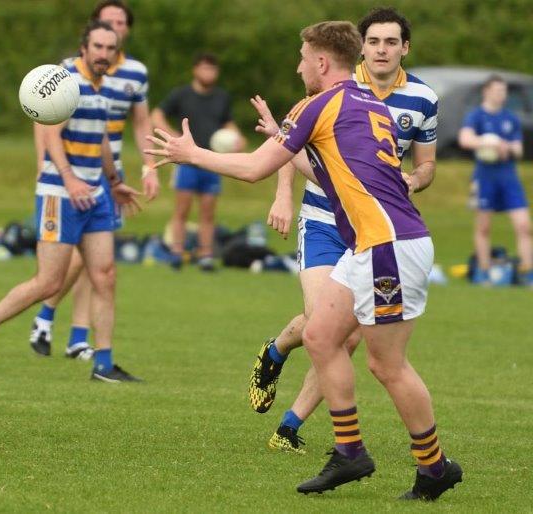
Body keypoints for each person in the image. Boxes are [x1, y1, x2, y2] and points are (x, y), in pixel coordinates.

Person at [146, 21, 462, 500]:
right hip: (376, 243)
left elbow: (254, 169)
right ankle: (350, 453)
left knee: (387, 365)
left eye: (302, 57)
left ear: (320, 61)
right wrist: (285, 139)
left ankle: (435, 467)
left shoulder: (320, 103)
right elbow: (327, 170)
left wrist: (193, 154)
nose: (297, 67)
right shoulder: (365, 101)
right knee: (319, 334)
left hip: (388, 246)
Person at [249, 7, 440, 455]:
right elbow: (292, 142)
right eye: (373, 41)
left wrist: (413, 179)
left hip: (378, 228)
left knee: (345, 338)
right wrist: (281, 194)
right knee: (324, 330)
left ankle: (291, 426)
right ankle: (275, 351)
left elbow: (426, 163)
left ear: (404, 48)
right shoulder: (336, 83)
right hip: (323, 219)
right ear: (361, 46)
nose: (381, 49)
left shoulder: (423, 99)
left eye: (391, 42)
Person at [0, 21, 143, 383]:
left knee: (105, 275)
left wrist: (115, 180)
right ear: (84, 47)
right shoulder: (64, 81)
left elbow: (102, 138)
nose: (104, 53)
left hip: (96, 194)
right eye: (98, 47)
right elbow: (50, 133)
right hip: (61, 192)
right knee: (48, 282)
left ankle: (103, 364)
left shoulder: (107, 88)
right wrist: (70, 178)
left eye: (110, 48)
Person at [29, 0, 160, 361]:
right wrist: (49, 167)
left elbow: (140, 122)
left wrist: (149, 166)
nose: (113, 26)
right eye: (107, 21)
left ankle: (78, 337)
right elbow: (44, 117)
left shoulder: (135, 72)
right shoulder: (69, 71)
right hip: (71, 170)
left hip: (108, 171)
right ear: (92, 32)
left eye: (120, 22)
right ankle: (46, 316)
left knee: (99, 266)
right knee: (73, 262)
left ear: (126, 30)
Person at [151, 52, 244, 271]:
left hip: (210, 161)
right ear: (195, 70)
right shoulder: (182, 94)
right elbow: (156, 115)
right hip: (186, 163)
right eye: (204, 68)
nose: (208, 72)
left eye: (212, 69)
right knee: (182, 209)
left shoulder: (221, 97)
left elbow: (228, 124)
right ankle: (176, 252)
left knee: (208, 211)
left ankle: (205, 255)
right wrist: (174, 138)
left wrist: (237, 138)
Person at [458, 74, 531, 286]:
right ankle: (483, 271)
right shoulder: (476, 116)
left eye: (504, 91)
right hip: (484, 177)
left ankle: (527, 271)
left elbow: (518, 149)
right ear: (486, 92)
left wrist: (504, 147)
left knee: (525, 225)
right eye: (497, 90)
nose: (501, 95)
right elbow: (465, 139)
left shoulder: (510, 118)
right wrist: (486, 142)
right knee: (483, 227)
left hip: (509, 177)